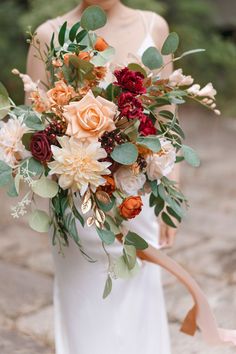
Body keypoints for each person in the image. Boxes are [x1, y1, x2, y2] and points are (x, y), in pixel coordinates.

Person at [26, 1, 179, 353]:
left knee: (138, 305)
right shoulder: (48, 36)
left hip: (135, 200)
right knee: (85, 310)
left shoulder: (153, 26)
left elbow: (168, 122)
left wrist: (170, 198)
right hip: (78, 204)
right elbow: (35, 134)